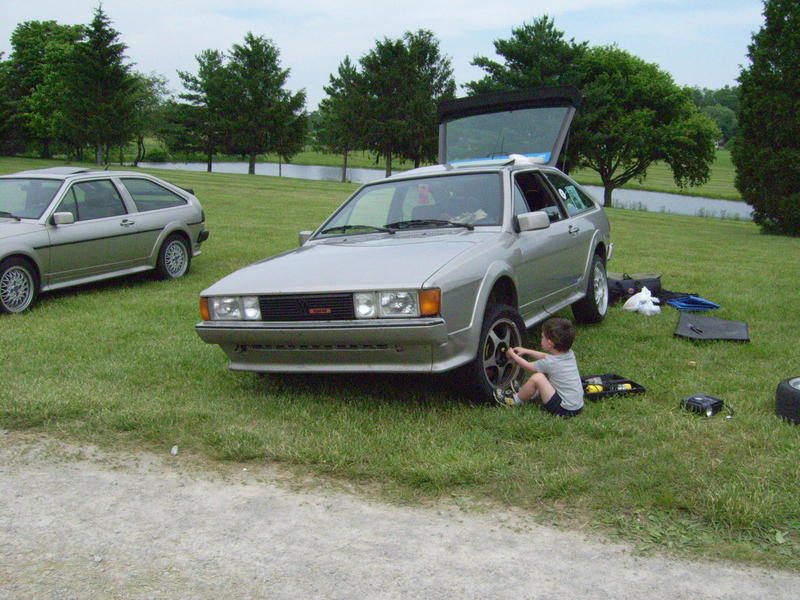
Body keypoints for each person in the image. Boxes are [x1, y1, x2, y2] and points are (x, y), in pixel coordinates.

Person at [494, 317, 584, 417]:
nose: (541, 338)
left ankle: (515, 400)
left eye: (542, 337)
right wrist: (526, 351)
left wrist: (513, 355)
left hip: (564, 410)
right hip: (576, 406)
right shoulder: (569, 354)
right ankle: (527, 393)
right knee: (545, 375)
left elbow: (528, 366)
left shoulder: (550, 363)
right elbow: (547, 357)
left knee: (538, 378)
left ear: (549, 343)